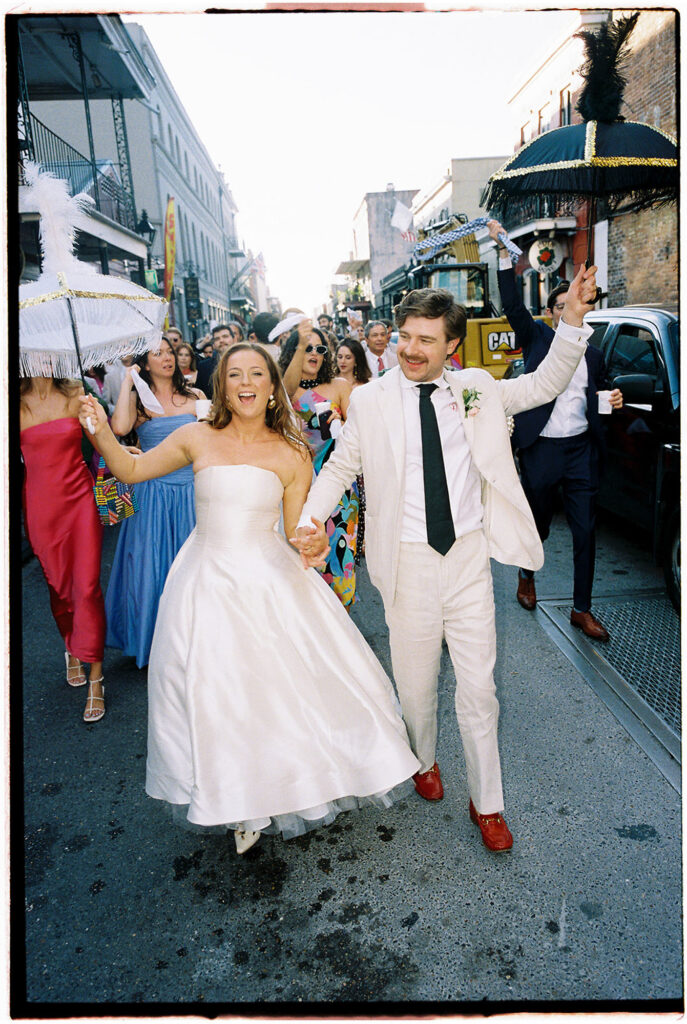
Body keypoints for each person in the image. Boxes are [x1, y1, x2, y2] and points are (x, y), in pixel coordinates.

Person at [293, 267, 599, 853]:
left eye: (425, 339)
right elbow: (339, 468)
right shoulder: (371, 400)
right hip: (404, 562)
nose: (409, 349)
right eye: (405, 335)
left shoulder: (477, 388)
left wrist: (573, 322)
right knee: (415, 685)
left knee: (480, 689)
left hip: (466, 560)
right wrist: (310, 521)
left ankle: (487, 803)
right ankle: (424, 758)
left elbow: (544, 383)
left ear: (451, 345)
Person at [77, 344, 420, 854]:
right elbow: (130, 472)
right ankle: (233, 796)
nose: (245, 382)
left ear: (270, 383)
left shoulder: (291, 451)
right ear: (222, 385)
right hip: (203, 581)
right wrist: (99, 429)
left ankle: (272, 788)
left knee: (272, 692)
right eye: (234, 373)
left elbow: (296, 529)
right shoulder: (195, 436)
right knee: (212, 693)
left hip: (267, 579)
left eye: (256, 373)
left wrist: (315, 543)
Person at [488, 219, 623, 640]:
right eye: (561, 306)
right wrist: (503, 254)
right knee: (539, 523)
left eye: (575, 304)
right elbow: (511, 306)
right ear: (551, 312)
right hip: (541, 448)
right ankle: (526, 573)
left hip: (581, 450)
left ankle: (581, 609)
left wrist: (613, 398)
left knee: (585, 529)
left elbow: (601, 393)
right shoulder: (537, 339)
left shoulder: (595, 354)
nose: (569, 311)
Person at [105, 338, 205, 668]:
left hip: (192, 491)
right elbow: (119, 428)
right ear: (145, 364)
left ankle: (196, 643)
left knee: (194, 568)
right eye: (157, 353)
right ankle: (152, 642)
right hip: (152, 493)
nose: (167, 358)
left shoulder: (195, 396)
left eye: (169, 352)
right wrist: (128, 381)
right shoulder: (138, 401)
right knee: (150, 564)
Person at [20, 376, 106, 722]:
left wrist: (100, 423)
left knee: (86, 588)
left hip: (80, 500)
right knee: (59, 585)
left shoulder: (75, 393)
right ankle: (71, 640)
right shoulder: (14, 401)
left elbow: (103, 442)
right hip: (40, 506)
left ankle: (97, 680)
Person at [279, 323, 359, 608]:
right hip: (296, 485)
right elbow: (284, 392)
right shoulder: (284, 387)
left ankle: (342, 623)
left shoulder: (339, 386)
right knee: (301, 553)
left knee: (338, 555)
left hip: (337, 483)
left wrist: (340, 425)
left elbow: (357, 433)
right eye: (307, 347)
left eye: (320, 349)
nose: (314, 353)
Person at [195, 324, 234, 398]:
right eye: (217, 339)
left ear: (233, 339)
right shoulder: (203, 367)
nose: (221, 340)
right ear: (213, 344)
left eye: (225, 336)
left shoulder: (245, 361)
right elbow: (199, 394)